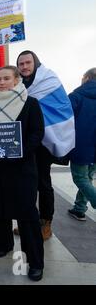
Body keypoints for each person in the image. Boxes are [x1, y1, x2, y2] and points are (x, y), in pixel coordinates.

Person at [0, 66, 45, 282]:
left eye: (6, 78)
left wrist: (21, 152)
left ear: (17, 80)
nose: (2, 82)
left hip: (22, 168)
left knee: (26, 215)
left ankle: (35, 262)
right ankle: (2, 244)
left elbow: (37, 133)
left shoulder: (31, 103)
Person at [17, 51, 75, 240]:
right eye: (21, 64)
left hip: (44, 142)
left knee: (43, 183)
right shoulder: (17, 86)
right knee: (27, 184)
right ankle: (30, 220)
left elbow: (60, 107)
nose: (24, 67)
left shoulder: (48, 80)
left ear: (36, 63)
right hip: (25, 142)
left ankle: (45, 222)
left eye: (28, 62)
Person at [67, 68, 96, 221]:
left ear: (86, 78)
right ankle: (79, 208)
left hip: (81, 145)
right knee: (88, 177)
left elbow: (65, 118)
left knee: (80, 178)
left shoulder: (76, 96)